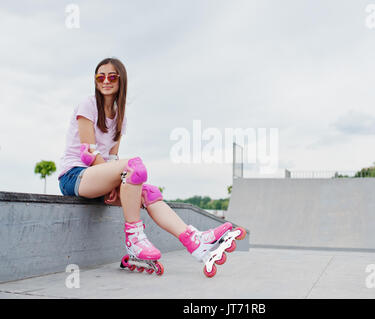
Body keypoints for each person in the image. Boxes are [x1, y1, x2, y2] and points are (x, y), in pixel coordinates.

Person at [58, 57, 245, 277]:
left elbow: (112, 157)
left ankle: (195, 242)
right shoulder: (87, 105)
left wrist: (113, 181)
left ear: (120, 80)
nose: (105, 81)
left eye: (112, 76)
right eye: (100, 76)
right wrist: (112, 179)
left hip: (98, 177)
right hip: (75, 176)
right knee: (134, 167)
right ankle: (135, 240)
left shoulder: (120, 116)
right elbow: (88, 154)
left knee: (149, 192)